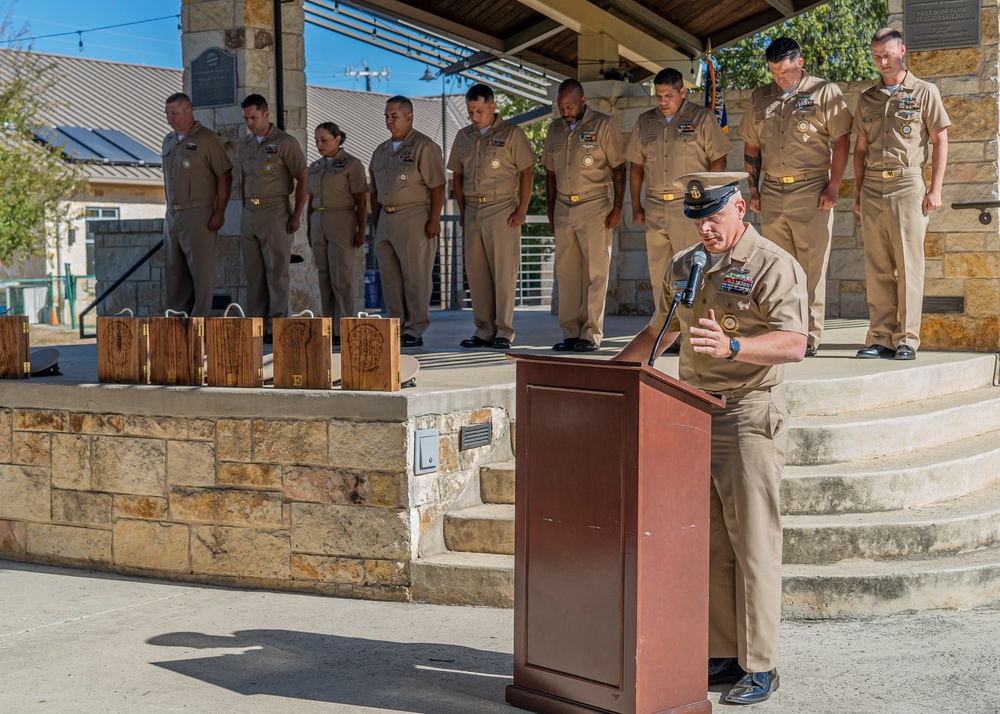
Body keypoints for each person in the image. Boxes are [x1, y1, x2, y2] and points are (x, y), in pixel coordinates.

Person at [614, 172, 808, 706]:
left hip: (748, 415)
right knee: (712, 543)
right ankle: (724, 655)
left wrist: (735, 347)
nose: (705, 228)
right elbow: (660, 332)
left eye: (714, 217)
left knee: (753, 543)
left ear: (740, 209)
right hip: (692, 412)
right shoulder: (685, 266)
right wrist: (608, 379)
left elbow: (794, 344)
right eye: (697, 219)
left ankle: (762, 664)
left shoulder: (772, 263)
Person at [739, 37, 852, 357]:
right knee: (777, 267)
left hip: (811, 190)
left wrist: (834, 186)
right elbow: (751, 147)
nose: (779, 78)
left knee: (810, 268)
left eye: (785, 71)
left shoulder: (824, 92)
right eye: (774, 72)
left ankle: (811, 336)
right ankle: (783, 330)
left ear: (799, 64)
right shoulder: (760, 98)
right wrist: (754, 189)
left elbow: (842, 140)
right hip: (773, 191)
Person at [853, 27, 950, 361]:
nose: (882, 61)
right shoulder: (867, 98)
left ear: (902, 51)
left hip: (908, 185)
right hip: (873, 187)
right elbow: (860, 149)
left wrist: (935, 190)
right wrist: (858, 192)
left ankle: (907, 338)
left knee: (909, 265)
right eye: (876, 55)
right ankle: (880, 336)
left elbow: (940, 140)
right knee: (877, 265)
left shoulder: (924, 92)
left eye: (887, 54)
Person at [626, 68, 732, 306]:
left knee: (690, 270)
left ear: (682, 92)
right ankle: (666, 332)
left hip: (689, 206)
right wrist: (636, 205)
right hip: (654, 206)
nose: (663, 102)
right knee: (660, 274)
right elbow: (636, 165)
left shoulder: (702, 118)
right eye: (659, 96)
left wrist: (709, 201)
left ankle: (690, 332)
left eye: (669, 96)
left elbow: (719, 159)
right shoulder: (645, 122)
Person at [448, 83, 536, 349]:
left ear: (493, 107)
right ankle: (483, 329)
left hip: (502, 209)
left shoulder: (511, 134)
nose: (475, 117)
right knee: (477, 274)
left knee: (503, 274)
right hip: (473, 210)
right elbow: (457, 174)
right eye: (471, 111)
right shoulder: (463, 136)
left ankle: (503, 332)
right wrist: (463, 211)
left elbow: (528, 171)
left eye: (480, 111)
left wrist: (522, 209)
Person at [543, 78, 626, 352]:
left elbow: (618, 168)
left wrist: (617, 207)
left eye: (569, 106)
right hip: (563, 206)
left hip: (595, 205)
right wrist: (550, 208)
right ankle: (569, 332)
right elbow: (550, 173)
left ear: (582, 101)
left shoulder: (603, 124)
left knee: (596, 273)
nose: (564, 111)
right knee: (566, 273)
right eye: (560, 107)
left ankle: (591, 334)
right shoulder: (554, 129)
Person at [369, 96, 446, 348]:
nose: (389, 121)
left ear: (409, 117)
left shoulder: (424, 146)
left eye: (395, 116)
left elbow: (437, 186)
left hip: (414, 217)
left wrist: (434, 220)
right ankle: (396, 325)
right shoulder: (380, 151)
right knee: (390, 279)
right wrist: (377, 222)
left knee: (416, 277)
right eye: (386, 116)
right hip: (386, 220)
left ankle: (415, 328)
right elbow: (374, 191)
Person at [237, 94, 308, 333]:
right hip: (250, 212)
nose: (250, 123)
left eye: (254, 117)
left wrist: (296, 215)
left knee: (277, 273)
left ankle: (277, 326)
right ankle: (257, 327)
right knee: (253, 274)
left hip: (275, 210)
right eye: (246, 118)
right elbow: (244, 177)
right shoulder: (245, 144)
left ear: (266, 113)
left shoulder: (285, 142)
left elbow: (302, 179)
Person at [161, 92, 232, 317]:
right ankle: (176, 322)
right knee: (174, 272)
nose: (169, 118)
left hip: (199, 212)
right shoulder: (168, 140)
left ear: (188, 111)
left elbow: (225, 176)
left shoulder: (208, 139)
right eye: (167, 114)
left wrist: (219, 211)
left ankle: (200, 323)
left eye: (174, 113)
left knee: (201, 272)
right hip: (173, 214)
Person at [306, 122, 368, 346]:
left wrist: (361, 231)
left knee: (342, 277)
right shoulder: (314, 166)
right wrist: (308, 227)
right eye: (317, 141)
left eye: (325, 140)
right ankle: (330, 327)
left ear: (338, 139)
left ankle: (345, 328)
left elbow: (360, 200)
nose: (320, 145)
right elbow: (310, 199)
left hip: (341, 218)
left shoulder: (351, 164)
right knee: (324, 276)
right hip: (318, 220)